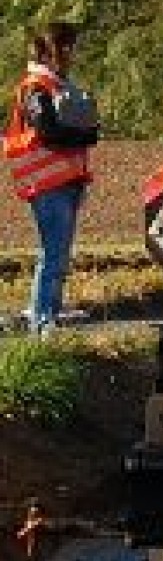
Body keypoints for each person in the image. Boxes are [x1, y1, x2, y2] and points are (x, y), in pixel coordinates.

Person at [4, 23, 99, 335]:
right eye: (69, 46)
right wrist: (85, 135)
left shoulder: (56, 85)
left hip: (63, 182)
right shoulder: (36, 88)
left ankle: (50, 314)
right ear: (54, 50)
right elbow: (48, 132)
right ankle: (41, 319)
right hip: (47, 185)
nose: (74, 53)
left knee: (58, 253)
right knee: (53, 253)